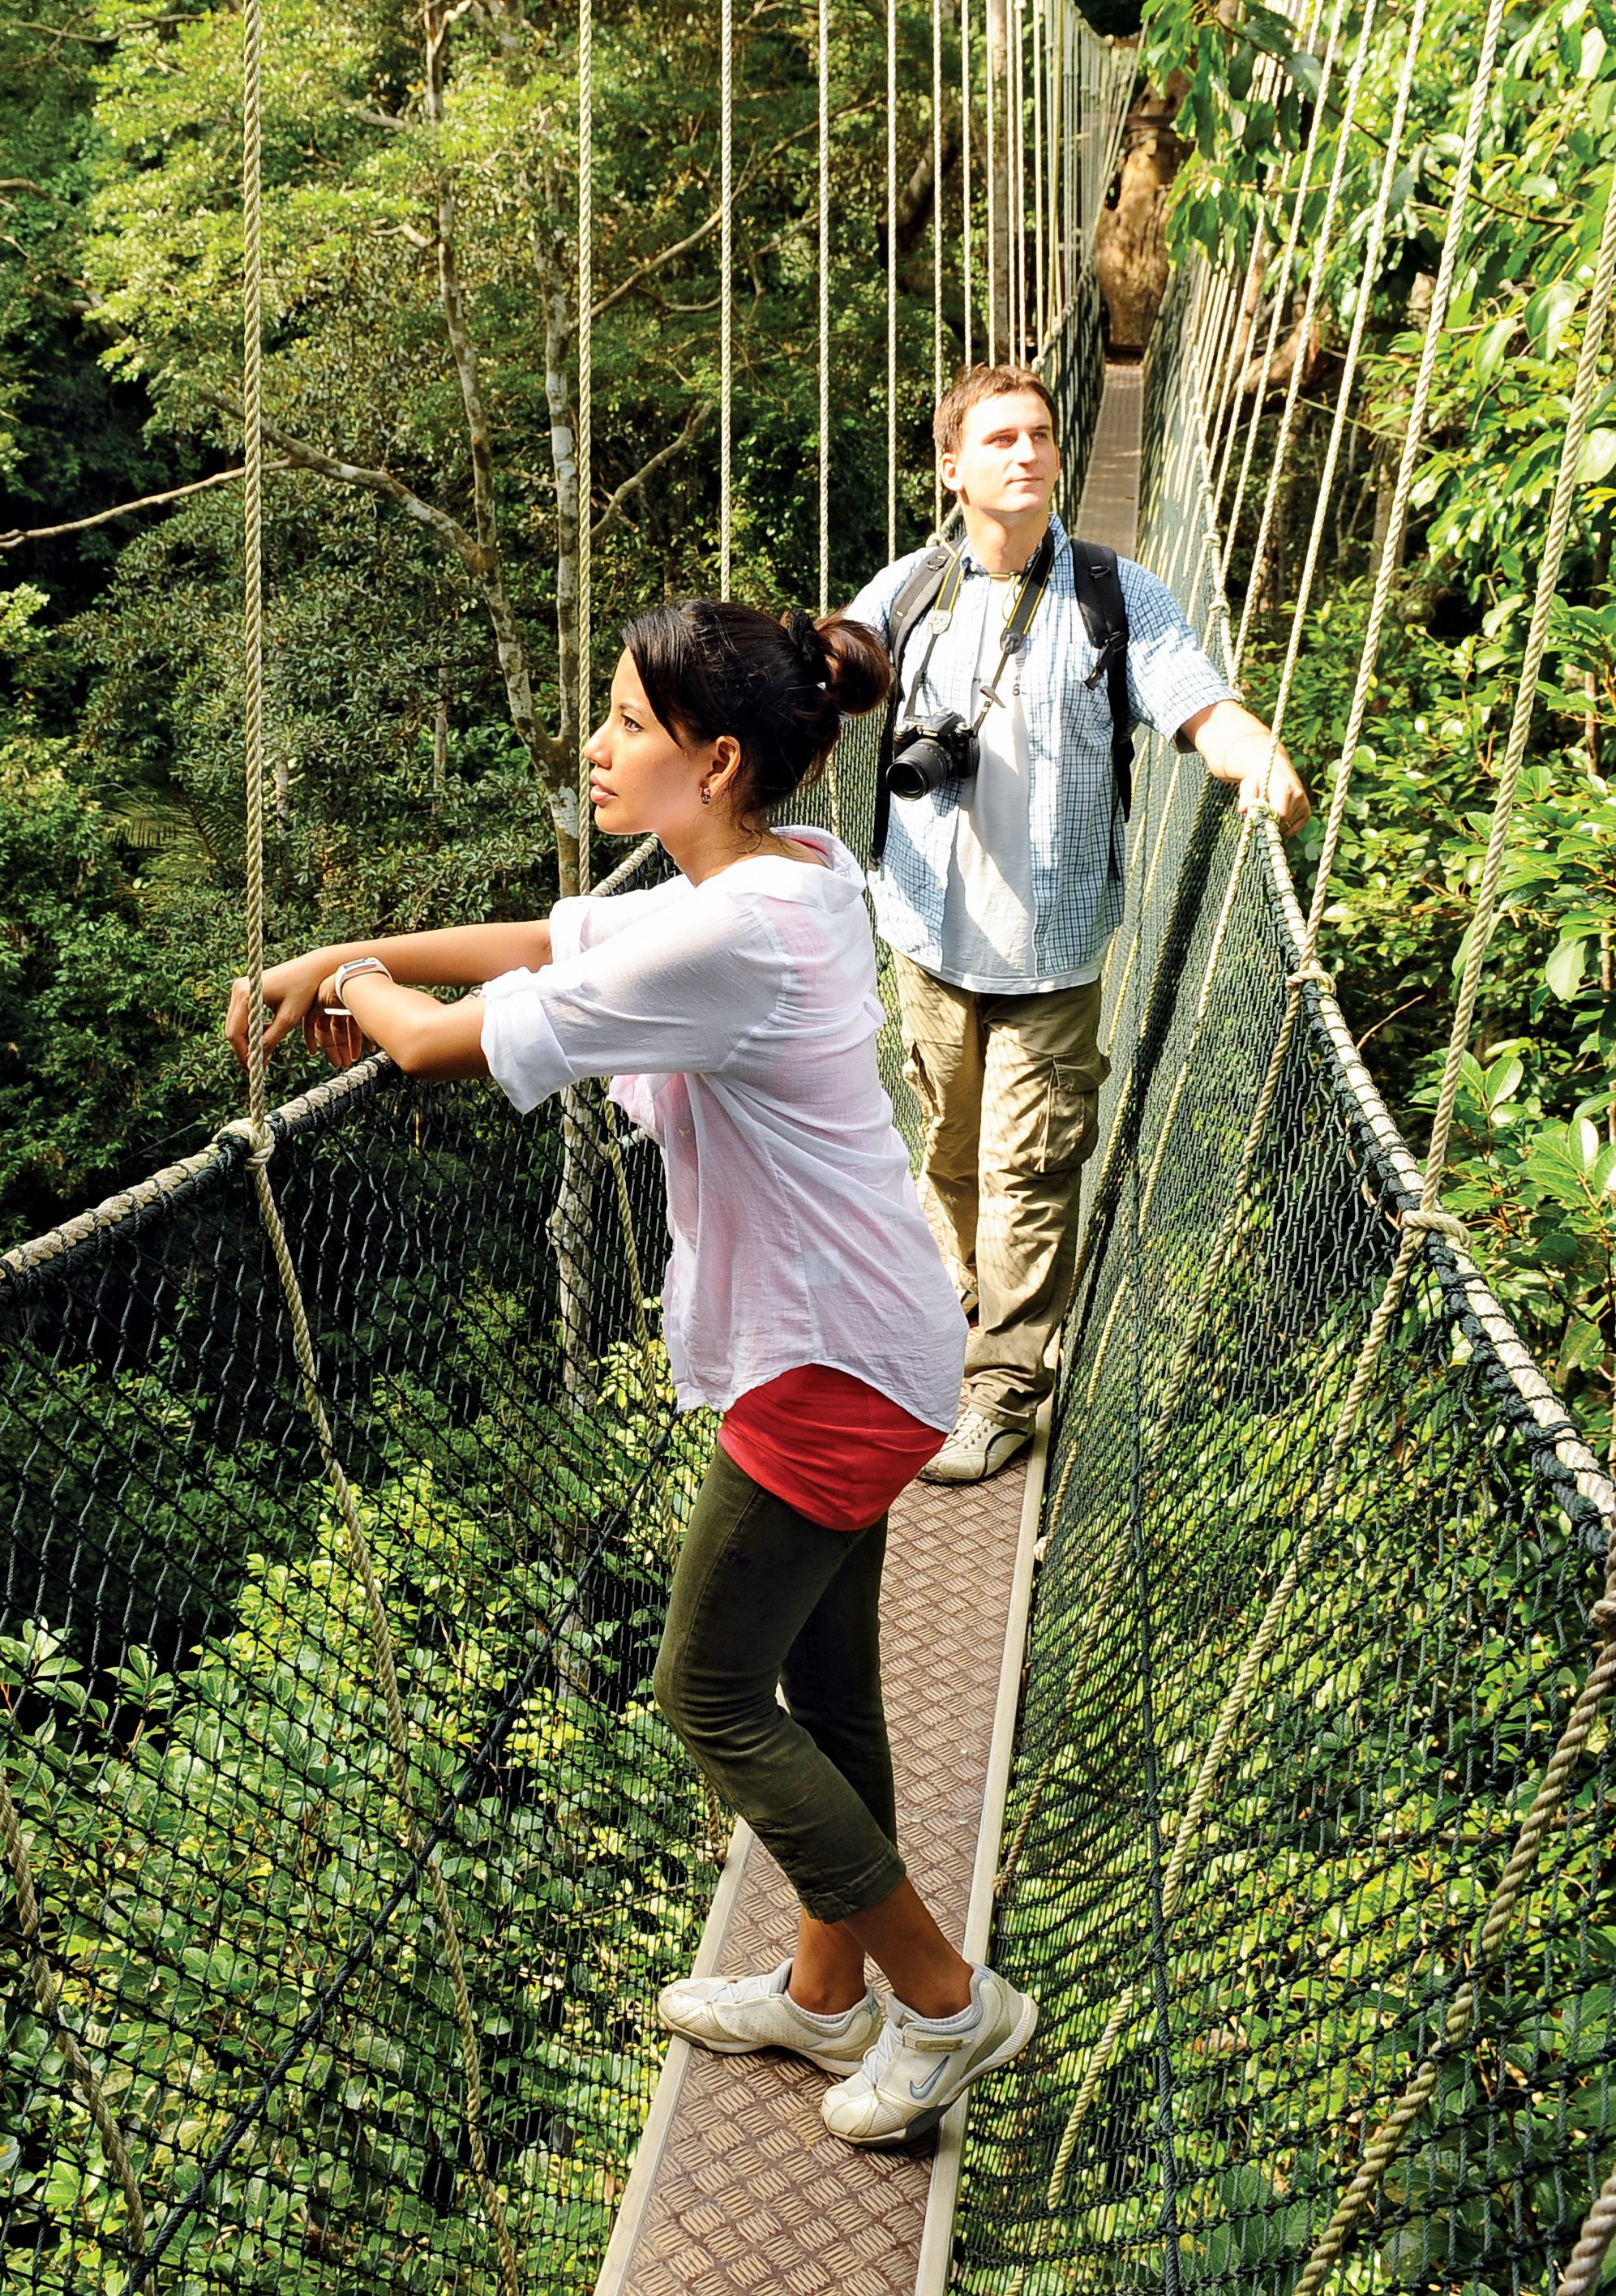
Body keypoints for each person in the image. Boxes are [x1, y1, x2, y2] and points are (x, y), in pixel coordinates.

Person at [228, 598, 1035, 2145]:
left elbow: (437, 1045)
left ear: (717, 759)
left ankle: (943, 2002)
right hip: (861, 1336)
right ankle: (821, 1995)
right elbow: (548, 941)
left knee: (709, 1694)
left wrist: (354, 996)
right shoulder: (779, 873)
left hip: (829, 1368)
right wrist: (357, 947)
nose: (596, 749)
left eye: (626, 727)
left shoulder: (740, 927)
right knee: (822, 1685)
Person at [845, 362, 1312, 1486]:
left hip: (1052, 952)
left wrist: (1260, 761)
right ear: (950, 468)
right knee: (947, 1148)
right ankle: (940, 1319)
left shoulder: (1117, 594)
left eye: (1041, 436)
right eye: (999, 438)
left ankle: (1000, 1390)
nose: (1028, 454)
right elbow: (823, 686)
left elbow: (1204, 708)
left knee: (1030, 1165)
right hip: (923, 931)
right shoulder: (903, 593)